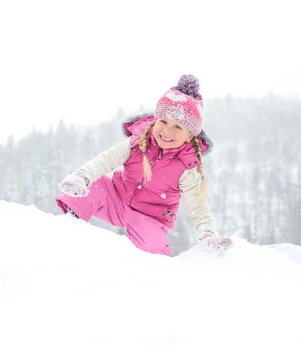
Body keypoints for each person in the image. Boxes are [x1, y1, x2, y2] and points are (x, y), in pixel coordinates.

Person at [55, 74, 232, 256]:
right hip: (115, 199)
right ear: (155, 120)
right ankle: (70, 227)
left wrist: (207, 233)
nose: (167, 131)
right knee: (92, 187)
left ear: (190, 136)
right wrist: (81, 177)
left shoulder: (186, 166)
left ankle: (149, 268)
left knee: (153, 250)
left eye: (178, 127)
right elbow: (105, 160)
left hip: (150, 218)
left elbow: (197, 204)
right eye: (163, 121)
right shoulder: (137, 143)